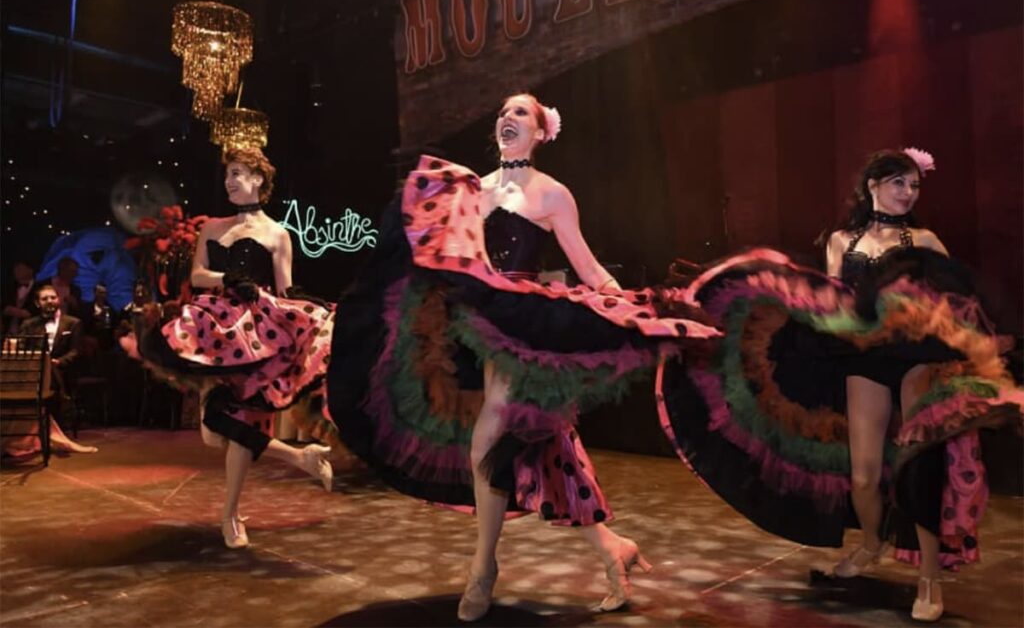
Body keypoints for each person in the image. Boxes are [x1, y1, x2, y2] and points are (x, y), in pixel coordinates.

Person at [327, 94, 718, 621]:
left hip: (525, 326)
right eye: (502, 112)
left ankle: (482, 569)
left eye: (519, 113)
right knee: (545, 445)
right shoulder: (472, 189)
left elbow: (587, 266)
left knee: (491, 438)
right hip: (473, 320)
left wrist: (632, 311)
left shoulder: (553, 194)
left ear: (540, 132)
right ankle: (611, 547)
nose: (507, 118)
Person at [656, 148, 1022, 622]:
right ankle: (871, 544)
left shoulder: (926, 239)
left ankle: (929, 578)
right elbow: (832, 303)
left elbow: (956, 299)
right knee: (864, 476)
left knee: (918, 466)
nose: (908, 193)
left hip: (915, 359)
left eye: (914, 186)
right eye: (900, 183)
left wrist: (976, 340)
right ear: (873, 184)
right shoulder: (840, 242)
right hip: (862, 358)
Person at [124, 147, 335, 549]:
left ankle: (231, 515)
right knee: (212, 432)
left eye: (238, 173)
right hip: (213, 326)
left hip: (256, 332)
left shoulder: (278, 234)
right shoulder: (213, 227)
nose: (230, 181)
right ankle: (299, 457)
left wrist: (308, 309)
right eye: (227, 175)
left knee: (233, 424)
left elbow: (285, 288)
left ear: (258, 179)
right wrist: (229, 276)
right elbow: (199, 275)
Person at [3, 284, 98, 457]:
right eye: (45, 299)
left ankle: (51, 432)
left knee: (49, 375)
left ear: (59, 300)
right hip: (35, 372)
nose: (50, 301)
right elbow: (23, 349)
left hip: (64, 370)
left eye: (53, 297)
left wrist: (58, 362)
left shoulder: (73, 323)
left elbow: (76, 351)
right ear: (37, 303)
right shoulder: (29, 324)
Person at [2, 261, 36, 336]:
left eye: (20, 268)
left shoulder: (39, 288)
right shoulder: (8, 287)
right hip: (8, 331)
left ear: (30, 270)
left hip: (30, 332)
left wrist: (24, 313)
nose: (16, 271)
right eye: (15, 268)